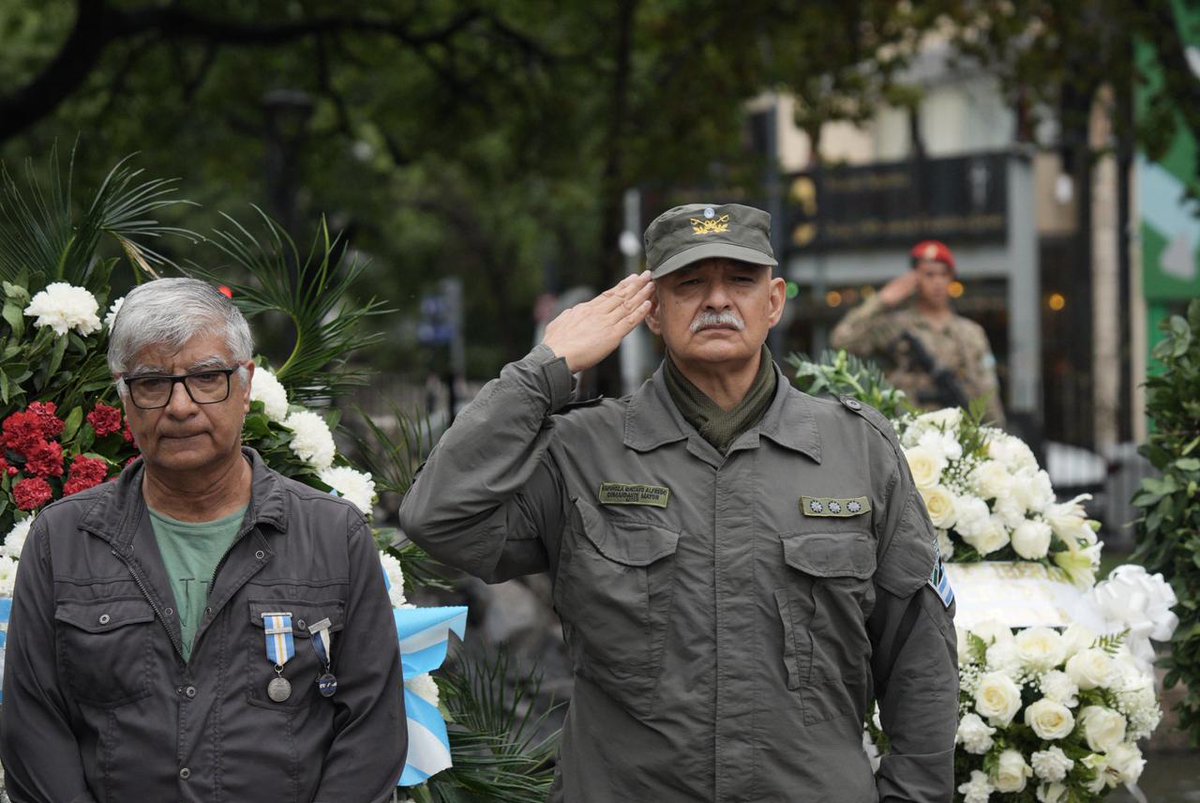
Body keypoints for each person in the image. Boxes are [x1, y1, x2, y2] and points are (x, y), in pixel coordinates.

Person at [399, 203, 958, 802]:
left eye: (739, 282)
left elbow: (920, 652)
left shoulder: (858, 449)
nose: (717, 301)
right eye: (690, 284)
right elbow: (439, 517)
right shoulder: (583, 450)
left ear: (774, 302)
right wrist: (543, 371)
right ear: (653, 313)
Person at [0, 278, 405, 802]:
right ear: (124, 397)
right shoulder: (62, 540)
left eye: (207, 377)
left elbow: (372, 731)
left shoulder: (333, 536)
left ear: (245, 385)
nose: (181, 406)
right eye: (152, 383)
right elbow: (35, 731)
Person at [830, 239, 1006, 425]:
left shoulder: (970, 333)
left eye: (943, 274)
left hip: (960, 435)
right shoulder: (896, 326)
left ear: (951, 278)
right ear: (915, 279)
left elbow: (987, 390)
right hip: (907, 433)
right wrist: (881, 301)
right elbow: (841, 340)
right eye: (929, 275)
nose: (937, 282)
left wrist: (997, 436)